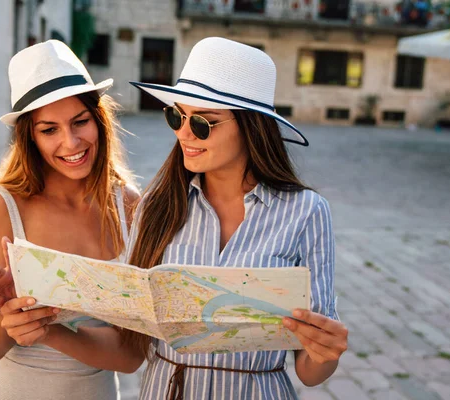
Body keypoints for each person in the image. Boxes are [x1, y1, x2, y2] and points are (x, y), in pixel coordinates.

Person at [126, 37, 348, 399]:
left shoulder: (307, 212)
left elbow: (310, 371)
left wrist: (327, 351)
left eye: (203, 123)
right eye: (176, 116)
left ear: (251, 127)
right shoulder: (156, 205)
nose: (183, 133)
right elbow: (129, 344)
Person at [0, 40, 143, 400]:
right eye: (49, 129)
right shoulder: (1, 205)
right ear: (30, 137)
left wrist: (49, 330)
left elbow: (130, 355)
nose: (71, 142)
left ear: (99, 120)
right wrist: (7, 316)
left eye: (80, 122)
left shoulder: (128, 206)